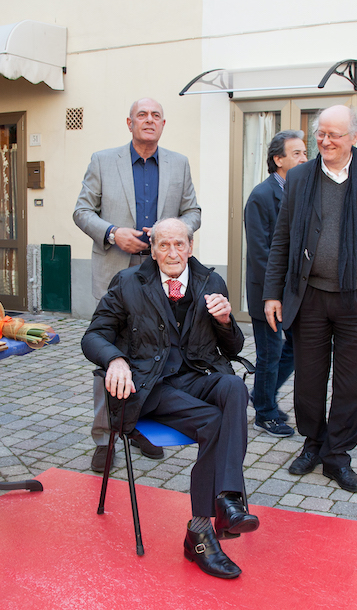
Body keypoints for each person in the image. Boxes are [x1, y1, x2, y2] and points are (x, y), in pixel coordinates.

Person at [81, 218, 255, 579]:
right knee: (213, 421)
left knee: (234, 388)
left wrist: (225, 320)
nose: (172, 252)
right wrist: (115, 360)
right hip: (148, 387)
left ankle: (226, 501)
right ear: (152, 249)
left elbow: (233, 347)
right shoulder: (130, 283)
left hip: (194, 378)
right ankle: (204, 529)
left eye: (179, 245)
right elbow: (93, 335)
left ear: (191, 247)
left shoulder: (211, 282)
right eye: (164, 245)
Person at [263, 105, 357, 494]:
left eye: (335, 135)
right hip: (309, 296)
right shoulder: (299, 178)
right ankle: (312, 444)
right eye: (320, 134)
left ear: (355, 137)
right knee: (309, 380)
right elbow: (283, 240)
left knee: (352, 384)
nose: (325, 141)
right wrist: (272, 294)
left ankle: (338, 455)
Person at [73, 98, 202, 472]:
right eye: (142, 115)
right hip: (116, 273)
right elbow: (82, 211)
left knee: (156, 354)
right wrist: (113, 234)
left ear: (164, 124)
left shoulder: (178, 164)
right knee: (108, 356)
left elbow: (193, 212)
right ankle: (104, 437)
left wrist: (172, 234)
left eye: (156, 116)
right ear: (129, 123)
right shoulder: (102, 160)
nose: (149, 120)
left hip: (163, 276)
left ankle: (139, 429)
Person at [243, 130, 307, 437]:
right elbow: (261, 253)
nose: (304, 158)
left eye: (305, 153)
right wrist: (276, 294)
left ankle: (261, 394)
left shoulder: (301, 192)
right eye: (296, 153)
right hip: (268, 293)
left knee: (293, 349)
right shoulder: (261, 195)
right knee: (269, 354)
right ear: (278, 159)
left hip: (295, 292)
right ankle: (264, 413)